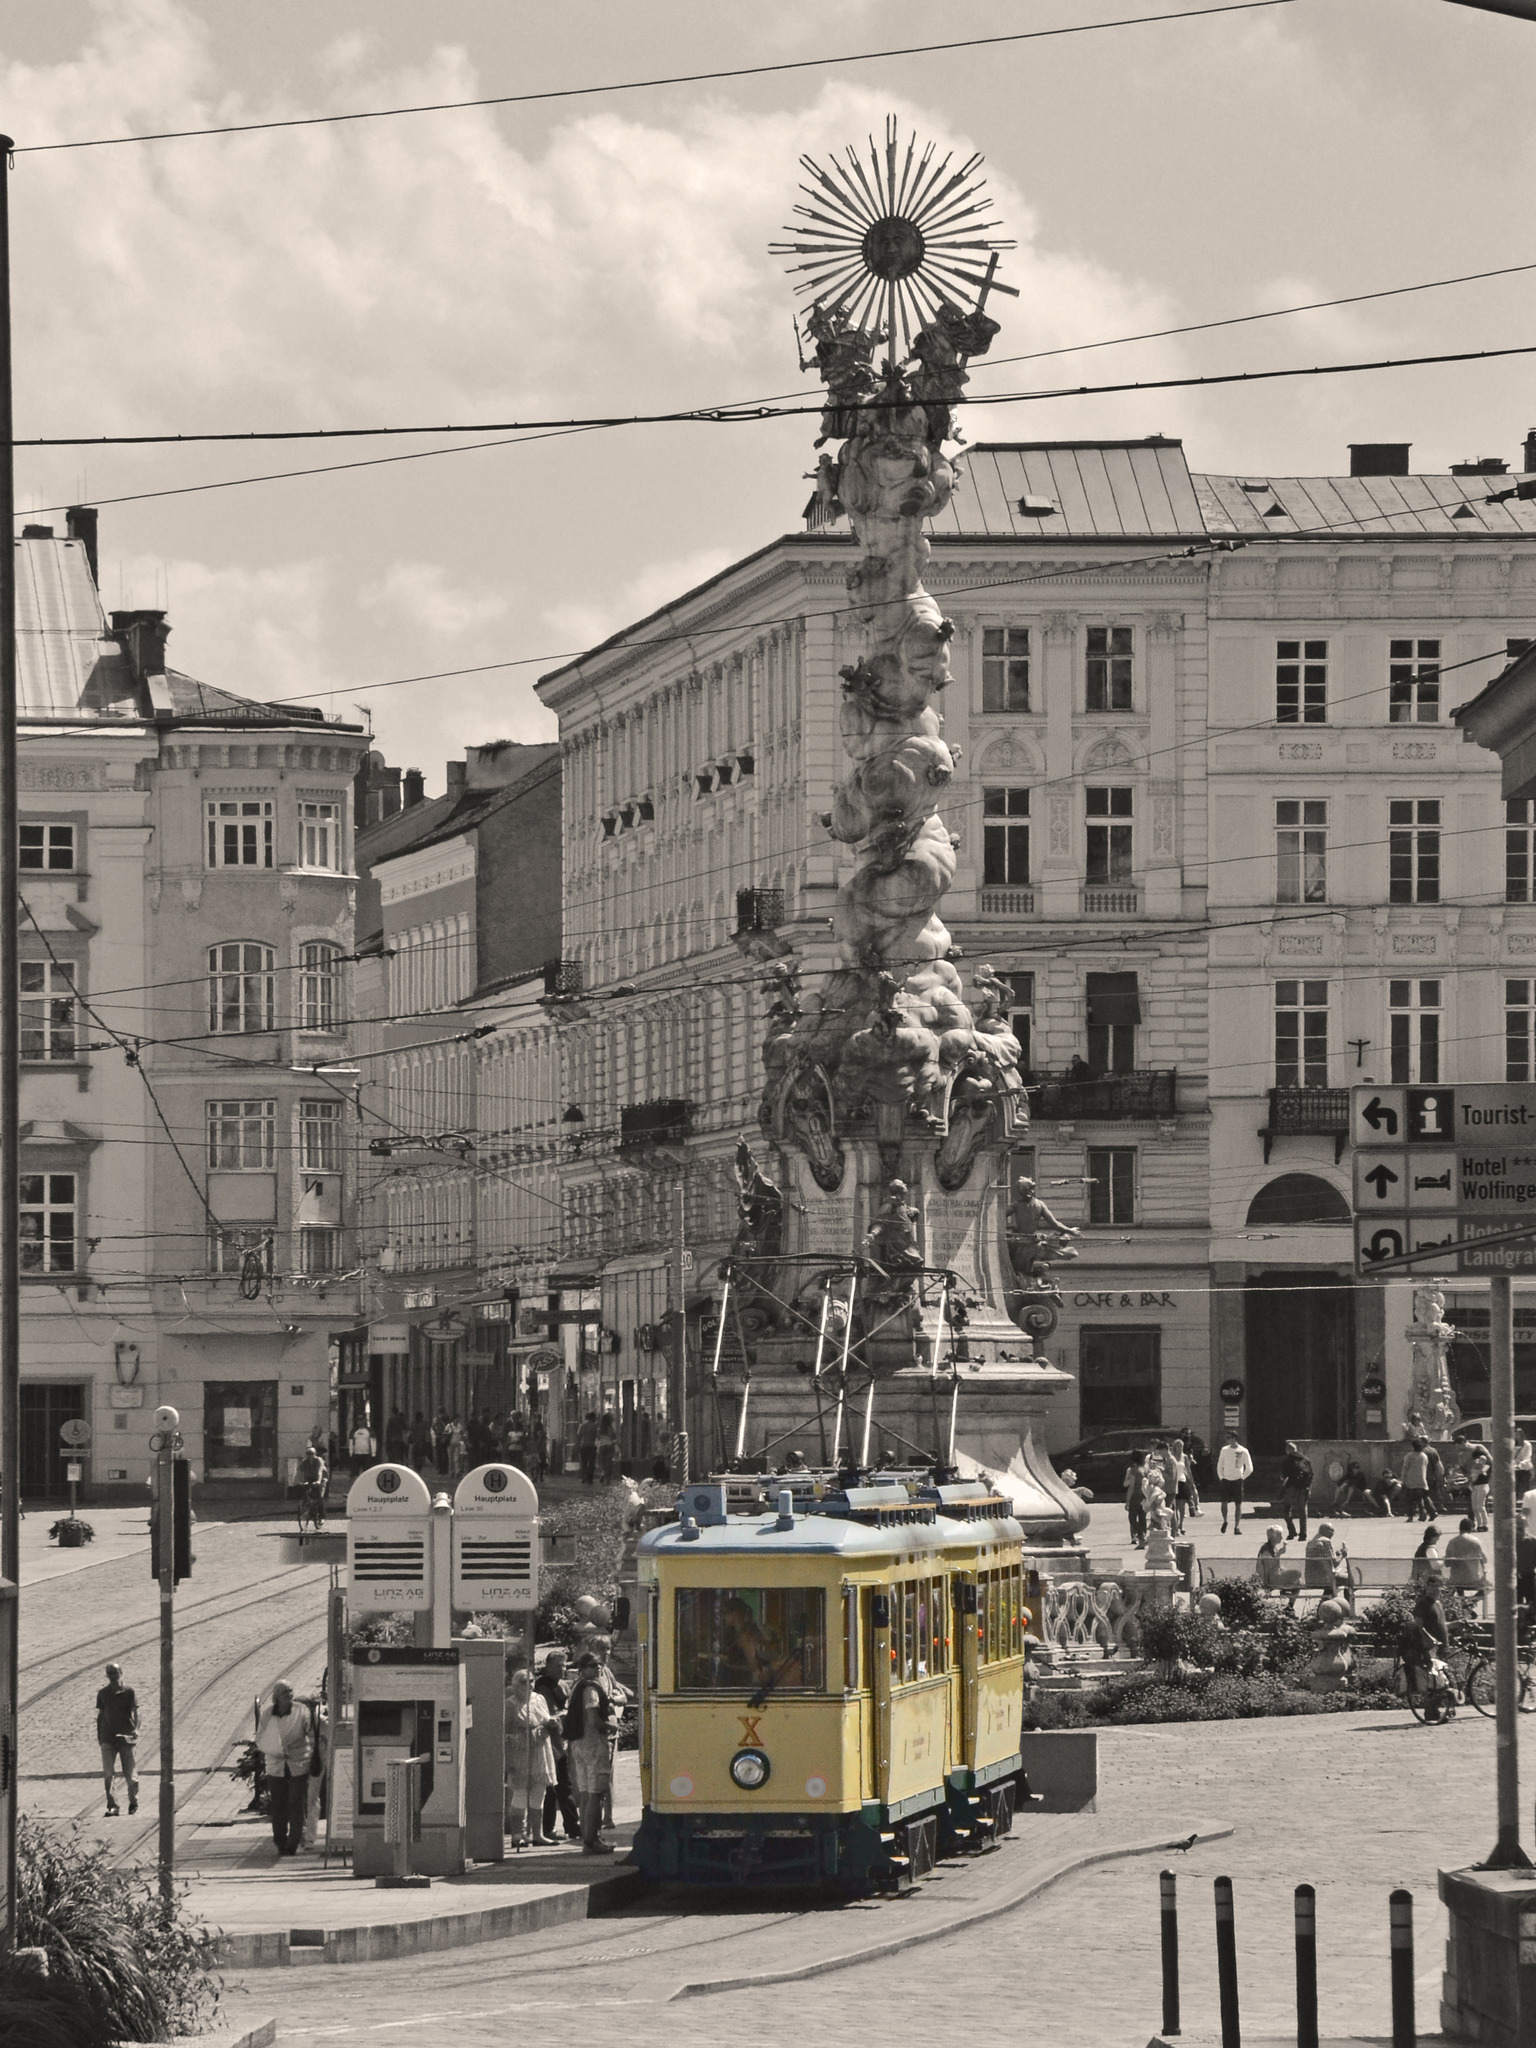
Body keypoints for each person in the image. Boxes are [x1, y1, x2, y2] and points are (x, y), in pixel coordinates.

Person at [255, 1680, 318, 1856]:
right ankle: (280, 1841)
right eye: (285, 1692)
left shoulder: (301, 1710)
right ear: (277, 1696)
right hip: (276, 1766)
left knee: (297, 1804)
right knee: (279, 1805)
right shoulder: (268, 1714)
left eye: (290, 1691)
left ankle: (293, 1843)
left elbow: (310, 1731)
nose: (289, 1695)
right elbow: (260, 1738)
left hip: (298, 1764)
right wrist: (275, 1748)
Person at [565, 1654, 615, 1854]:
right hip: (593, 1744)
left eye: (599, 1665)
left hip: (577, 1744)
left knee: (585, 1792)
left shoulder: (575, 1687)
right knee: (596, 1793)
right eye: (593, 1665)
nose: (598, 1668)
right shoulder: (591, 1690)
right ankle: (591, 1840)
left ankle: (587, 1838)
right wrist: (610, 1726)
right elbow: (593, 1719)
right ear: (582, 1668)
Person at [504, 1666, 557, 1847]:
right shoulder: (510, 1704)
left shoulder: (539, 1699)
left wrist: (551, 1723)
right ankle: (517, 1835)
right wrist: (513, 1744)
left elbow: (545, 1718)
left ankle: (537, 1834)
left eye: (532, 1681)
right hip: (520, 1753)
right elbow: (503, 1732)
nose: (529, 1685)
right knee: (520, 1793)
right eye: (523, 1682)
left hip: (540, 1749)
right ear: (515, 1684)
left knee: (538, 1793)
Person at [535, 1651, 581, 1841]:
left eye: (564, 1666)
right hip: (551, 1742)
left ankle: (570, 1825)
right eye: (558, 1666)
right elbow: (550, 1714)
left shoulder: (562, 1685)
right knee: (555, 1787)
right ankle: (551, 1828)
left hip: (563, 1740)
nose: (562, 1669)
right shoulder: (544, 1685)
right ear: (548, 1666)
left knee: (563, 1785)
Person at [1409, 1571, 1455, 1720]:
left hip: (1442, 1649)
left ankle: (1437, 1712)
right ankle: (1431, 1713)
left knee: (1442, 1682)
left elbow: (1441, 1625)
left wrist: (1457, 1624)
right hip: (1431, 1650)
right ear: (1426, 1587)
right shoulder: (1423, 1604)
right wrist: (1428, 1643)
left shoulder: (1438, 1604)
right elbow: (1418, 1626)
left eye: (1437, 1586)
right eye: (1431, 1586)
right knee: (1436, 1683)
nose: (1434, 1589)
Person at [96, 1662, 139, 1818]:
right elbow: (100, 1715)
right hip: (108, 1738)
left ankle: (133, 1801)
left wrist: (136, 1729)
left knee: (131, 1775)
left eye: (115, 1673)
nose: (113, 1677)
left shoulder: (129, 1692)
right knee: (108, 1774)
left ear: (121, 1673)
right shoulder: (102, 1693)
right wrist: (100, 1736)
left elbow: (135, 1713)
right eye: (110, 1674)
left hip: (126, 1738)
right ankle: (113, 1806)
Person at [1304, 1523, 1354, 1606]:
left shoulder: (1310, 1542)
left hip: (1310, 1579)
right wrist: (1342, 1555)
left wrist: (1337, 1555)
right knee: (1349, 1580)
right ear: (1326, 1531)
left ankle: (1323, 1603)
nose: (1333, 1533)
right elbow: (1334, 1564)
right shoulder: (1325, 1541)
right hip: (1325, 1578)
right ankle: (1348, 1607)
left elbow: (1324, 1560)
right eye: (1332, 1530)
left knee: (1331, 1578)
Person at [1216, 1431, 1253, 1534]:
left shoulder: (1243, 1451)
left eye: (1228, 1438)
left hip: (1237, 1479)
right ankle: (1225, 1520)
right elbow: (1220, 1464)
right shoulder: (1224, 1450)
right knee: (1224, 1502)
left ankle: (1237, 1526)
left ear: (1234, 1439)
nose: (1227, 1440)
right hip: (1226, 1479)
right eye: (1226, 1438)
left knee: (1238, 1504)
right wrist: (1221, 1477)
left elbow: (1249, 1467)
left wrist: (1242, 1477)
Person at [1445, 1518, 1490, 1600]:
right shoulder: (1476, 1541)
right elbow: (1485, 1560)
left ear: (1459, 1528)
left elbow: (1447, 1564)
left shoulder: (1452, 1542)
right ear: (1471, 1528)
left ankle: (1462, 1601)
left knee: (1457, 1585)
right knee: (1489, 1586)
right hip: (1473, 1579)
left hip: (1456, 1580)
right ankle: (1469, 1602)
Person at [1278, 1439, 1313, 1537]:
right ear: (1296, 1449)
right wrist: (1309, 1488)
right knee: (1303, 1511)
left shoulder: (1287, 1461)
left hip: (1291, 1489)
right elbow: (1311, 1474)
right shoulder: (1305, 1460)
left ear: (1287, 1451)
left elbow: (1283, 1476)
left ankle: (1292, 1530)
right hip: (1304, 1488)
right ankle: (1303, 1533)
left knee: (1287, 1510)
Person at [1399, 1440, 1432, 1523]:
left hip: (1411, 1481)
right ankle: (1423, 1514)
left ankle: (1410, 1516)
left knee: (1410, 1500)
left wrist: (1402, 1478)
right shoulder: (1424, 1456)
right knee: (1420, 1498)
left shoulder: (1409, 1456)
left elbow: (1405, 1467)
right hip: (1421, 1480)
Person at [296, 1440, 327, 1528]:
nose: (310, 1457)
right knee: (305, 1491)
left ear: (315, 1454)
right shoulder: (304, 1462)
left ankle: (321, 1517)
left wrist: (318, 1481)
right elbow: (299, 1471)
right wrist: (299, 1481)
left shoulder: (318, 1461)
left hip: (321, 1478)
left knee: (319, 1497)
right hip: (310, 1478)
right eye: (308, 1455)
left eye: (312, 1455)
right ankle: (307, 1507)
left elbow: (319, 1472)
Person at [1123, 1449, 1148, 1549]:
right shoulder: (1144, 1470)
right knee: (1142, 1517)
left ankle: (1141, 1536)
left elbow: (1130, 1486)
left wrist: (1127, 1501)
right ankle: (1143, 1538)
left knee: (1132, 1519)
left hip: (1135, 1496)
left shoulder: (1133, 1470)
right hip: (1144, 1495)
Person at [1466, 1443, 1493, 1532]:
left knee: (1480, 1506)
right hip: (1475, 1486)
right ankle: (1479, 1523)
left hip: (1483, 1485)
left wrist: (1479, 1465)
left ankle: (1485, 1524)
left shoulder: (1486, 1465)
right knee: (1474, 1507)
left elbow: (1483, 1472)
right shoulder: (1474, 1466)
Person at [1255, 1525, 1290, 1592]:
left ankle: (1289, 1600)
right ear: (1272, 1537)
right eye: (1279, 1535)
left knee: (1297, 1580)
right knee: (1296, 1580)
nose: (1282, 1537)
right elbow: (1270, 1567)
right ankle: (1285, 1593)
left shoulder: (1273, 1548)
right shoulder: (1266, 1550)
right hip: (1270, 1580)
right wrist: (1279, 1554)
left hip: (1274, 1577)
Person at [577, 1411, 600, 1487]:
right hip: (592, 1446)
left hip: (584, 1446)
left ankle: (584, 1476)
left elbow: (579, 1436)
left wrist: (578, 1446)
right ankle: (590, 1478)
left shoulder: (582, 1426)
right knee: (591, 1463)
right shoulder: (595, 1426)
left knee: (584, 1463)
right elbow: (598, 1436)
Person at [597, 1410, 618, 1484]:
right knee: (608, 1462)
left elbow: (598, 1437)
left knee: (602, 1462)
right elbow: (613, 1436)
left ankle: (603, 1473)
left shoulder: (600, 1428)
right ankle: (607, 1478)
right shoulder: (610, 1427)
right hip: (609, 1445)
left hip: (602, 1446)